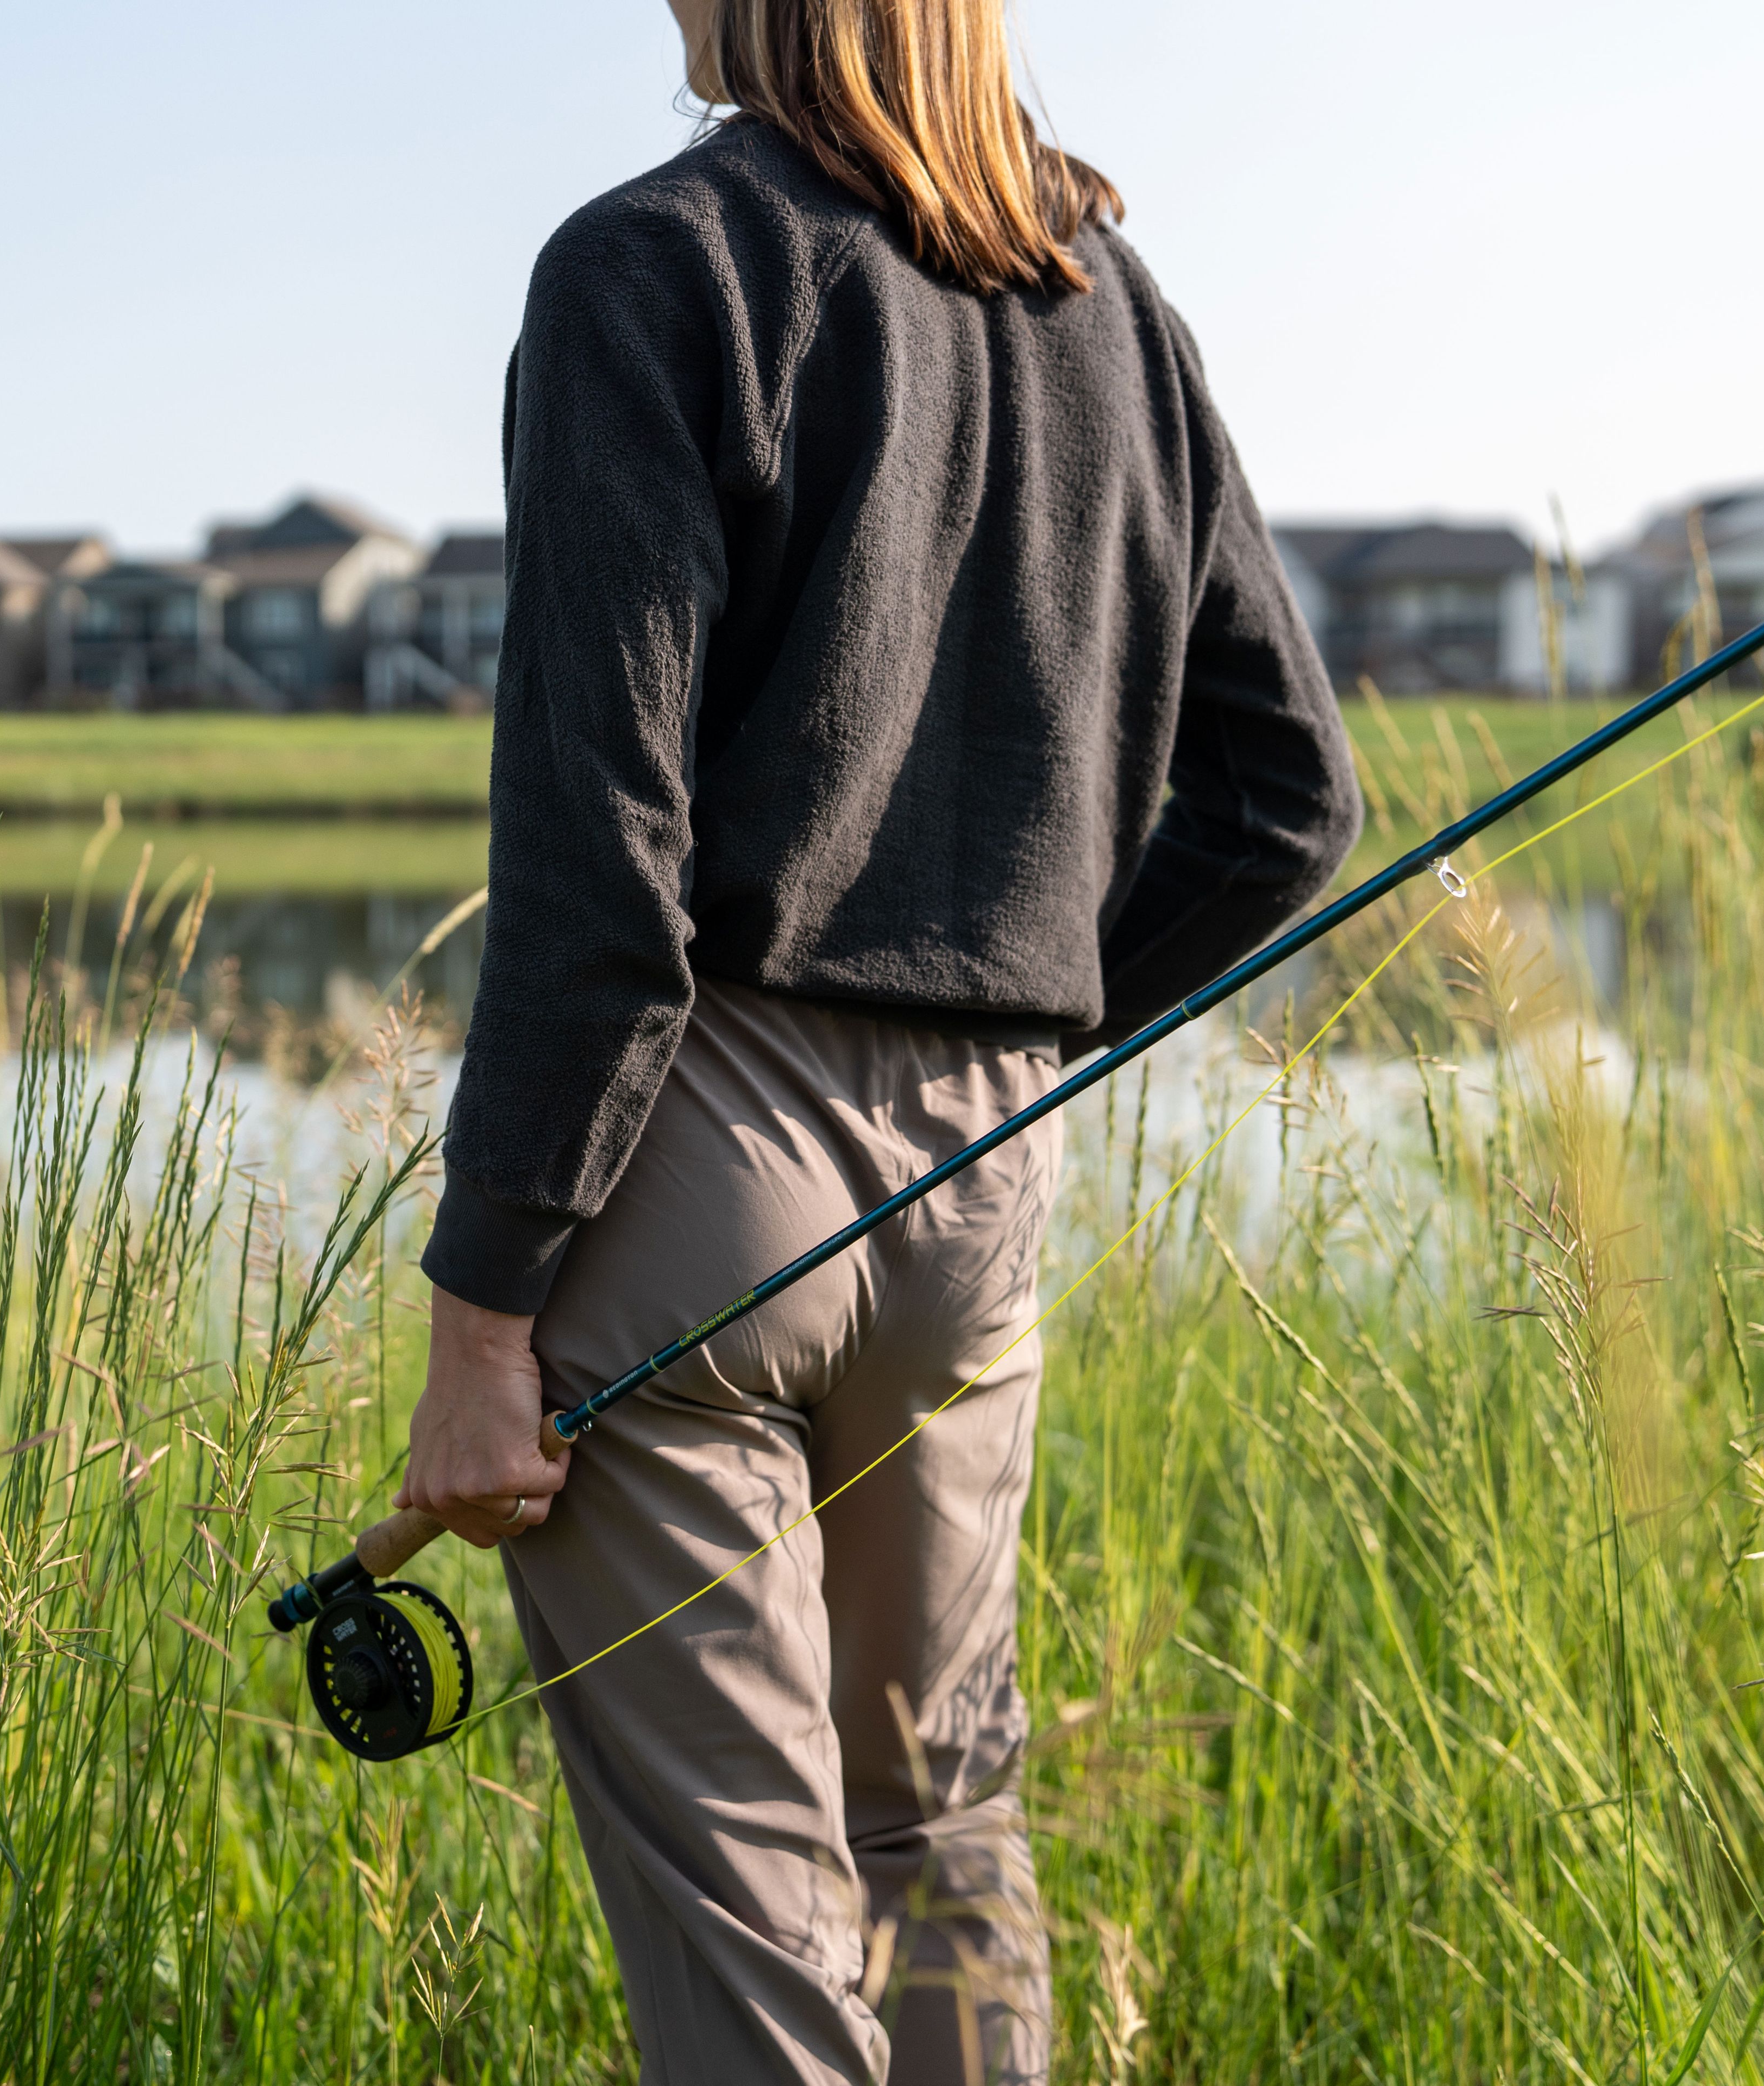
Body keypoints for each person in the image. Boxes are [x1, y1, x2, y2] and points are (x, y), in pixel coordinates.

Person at [396, 0, 1361, 2078]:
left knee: (756, 1930)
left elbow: (599, 865)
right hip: (986, 1184)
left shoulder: (648, 266)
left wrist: (483, 1323)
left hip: (698, 1174)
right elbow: (1292, 803)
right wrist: (1034, 1031)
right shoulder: (1116, 305)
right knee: (940, 1833)